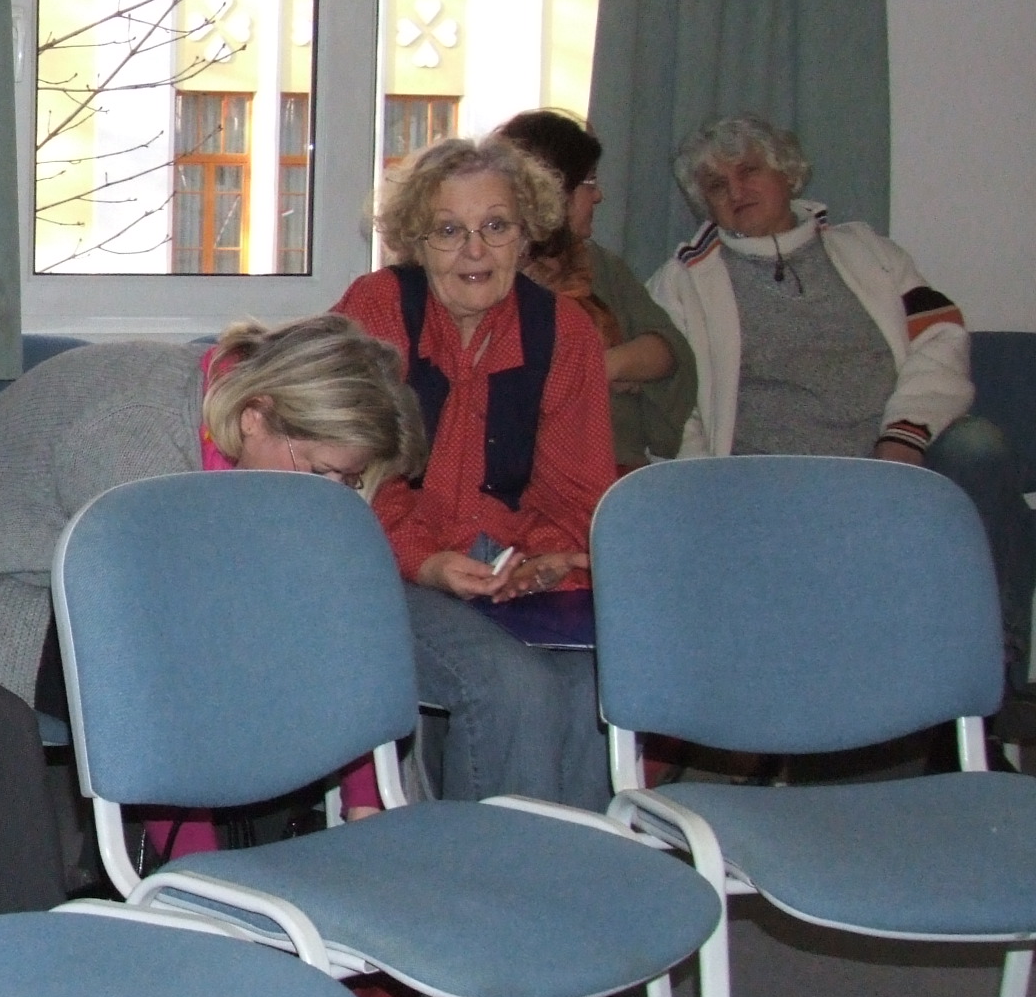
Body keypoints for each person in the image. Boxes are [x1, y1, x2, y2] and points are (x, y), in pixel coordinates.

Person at [0, 316, 425, 909]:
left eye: (350, 479)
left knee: (264, 636)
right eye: (323, 472)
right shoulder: (138, 434)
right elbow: (157, 654)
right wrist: (201, 869)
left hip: (73, 583)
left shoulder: (238, 419)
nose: (331, 493)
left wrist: (364, 795)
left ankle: (296, 851)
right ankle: (195, 878)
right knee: (195, 672)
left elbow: (318, 611)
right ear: (256, 416)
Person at [648, 113, 1031, 692]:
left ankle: (991, 673)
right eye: (717, 186)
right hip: (770, 481)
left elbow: (941, 337)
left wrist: (902, 438)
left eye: (749, 171)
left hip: (893, 462)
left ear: (788, 174)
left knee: (979, 447)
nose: (736, 191)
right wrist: (711, 490)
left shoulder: (868, 252)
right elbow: (676, 410)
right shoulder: (680, 283)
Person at [334, 134, 618, 809]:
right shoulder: (376, 310)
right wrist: (427, 561)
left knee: (593, 687)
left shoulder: (565, 331)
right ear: (415, 240)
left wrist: (539, 561)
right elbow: (348, 482)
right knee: (511, 687)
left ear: (527, 235)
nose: (474, 251)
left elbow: (578, 491)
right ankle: (487, 869)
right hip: (380, 570)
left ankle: (572, 868)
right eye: (448, 231)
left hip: (504, 574)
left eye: (496, 226)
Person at [497, 110, 696, 471]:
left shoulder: (602, 266)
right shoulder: (489, 276)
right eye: (588, 182)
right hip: (525, 472)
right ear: (552, 189)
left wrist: (607, 365)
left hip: (620, 467)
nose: (599, 195)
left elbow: (667, 350)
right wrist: (610, 369)